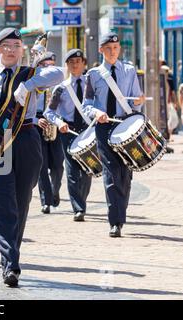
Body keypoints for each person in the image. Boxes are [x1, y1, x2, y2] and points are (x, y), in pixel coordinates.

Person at [0, 28, 63, 287]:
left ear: (21, 50)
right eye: (5, 45)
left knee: (21, 201)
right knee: (2, 203)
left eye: (16, 45)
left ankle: (10, 253)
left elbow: (59, 73)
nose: (11, 50)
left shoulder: (30, 74)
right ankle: (11, 266)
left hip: (26, 138)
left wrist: (27, 86)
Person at [82, 32, 145, 237]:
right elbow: (87, 105)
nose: (112, 52)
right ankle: (115, 221)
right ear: (101, 50)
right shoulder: (93, 74)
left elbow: (137, 98)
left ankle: (120, 212)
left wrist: (138, 101)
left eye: (115, 48)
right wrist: (97, 113)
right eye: (108, 48)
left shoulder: (129, 70)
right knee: (111, 173)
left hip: (125, 125)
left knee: (125, 174)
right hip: (105, 127)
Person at [44, 49, 91, 222]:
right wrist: (59, 123)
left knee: (87, 170)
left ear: (84, 63)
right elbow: (49, 112)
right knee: (72, 170)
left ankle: (82, 201)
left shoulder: (91, 84)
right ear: (67, 65)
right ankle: (78, 208)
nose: (75, 64)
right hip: (68, 131)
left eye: (78, 61)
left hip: (88, 129)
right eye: (71, 62)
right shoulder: (60, 89)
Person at [34, 52, 64, 214]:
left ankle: (54, 190)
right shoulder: (33, 84)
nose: (49, 69)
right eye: (45, 65)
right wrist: (36, 120)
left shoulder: (59, 84)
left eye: (52, 65)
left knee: (58, 165)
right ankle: (45, 201)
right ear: (39, 67)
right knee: (42, 165)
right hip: (39, 122)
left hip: (55, 123)